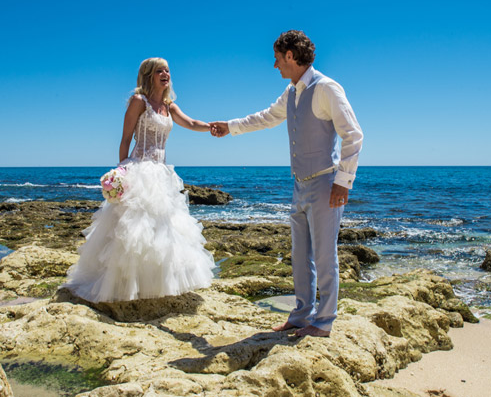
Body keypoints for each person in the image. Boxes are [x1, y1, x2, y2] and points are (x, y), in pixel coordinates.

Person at [210, 30, 363, 337]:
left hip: (324, 183)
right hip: (299, 184)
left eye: (278, 58)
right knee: (300, 254)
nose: (275, 65)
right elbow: (267, 117)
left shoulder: (326, 88)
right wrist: (231, 127)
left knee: (324, 255)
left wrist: (343, 182)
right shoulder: (292, 92)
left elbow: (353, 135)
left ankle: (324, 322)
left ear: (291, 56)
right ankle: (301, 314)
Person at [63, 57, 215, 303]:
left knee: (162, 231)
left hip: (162, 174)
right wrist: (121, 173)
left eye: (167, 70)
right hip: (138, 170)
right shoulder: (138, 101)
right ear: (148, 75)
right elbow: (125, 139)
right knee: (132, 232)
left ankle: (155, 284)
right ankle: (123, 286)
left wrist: (212, 127)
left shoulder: (169, 105)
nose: (165, 74)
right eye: (159, 71)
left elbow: (191, 123)